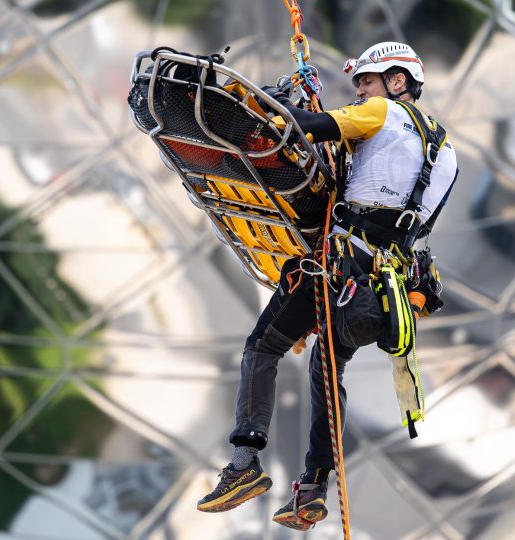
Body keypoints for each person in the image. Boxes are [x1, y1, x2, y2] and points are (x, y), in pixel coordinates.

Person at [195, 41, 459, 529]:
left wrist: (282, 103)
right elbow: (418, 225)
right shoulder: (447, 154)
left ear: (396, 83)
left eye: (368, 81)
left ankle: (244, 464)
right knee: (325, 369)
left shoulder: (381, 113)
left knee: (264, 346)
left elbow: (307, 128)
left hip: (340, 267)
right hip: (381, 293)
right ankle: (313, 489)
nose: (360, 91)